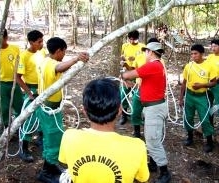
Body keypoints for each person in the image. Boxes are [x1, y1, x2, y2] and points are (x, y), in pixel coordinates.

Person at [58, 78, 149, 183]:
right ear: (119, 110)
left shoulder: (69, 137)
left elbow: (65, 163)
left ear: (84, 111)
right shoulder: (137, 146)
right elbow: (142, 178)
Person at [36, 37, 89, 183]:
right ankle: (46, 172)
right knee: (54, 139)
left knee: (52, 138)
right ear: (58, 51)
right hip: (49, 109)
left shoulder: (45, 60)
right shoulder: (50, 64)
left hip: (50, 108)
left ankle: (51, 166)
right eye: (64, 52)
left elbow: (60, 68)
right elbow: (58, 67)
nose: (64, 55)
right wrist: (76, 59)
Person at [122, 41, 171, 183]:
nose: (144, 54)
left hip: (154, 109)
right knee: (153, 136)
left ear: (151, 52)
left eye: (146, 51)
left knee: (152, 141)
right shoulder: (157, 66)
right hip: (153, 107)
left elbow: (129, 75)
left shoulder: (153, 65)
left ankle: (165, 172)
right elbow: (143, 81)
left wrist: (123, 74)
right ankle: (154, 164)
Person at [179, 44, 216, 153]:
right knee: (188, 117)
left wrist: (201, 85)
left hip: (202, 96)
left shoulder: (209, 66)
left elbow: (214, 82)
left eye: (196, 53)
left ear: (201, 54)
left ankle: (209, 141)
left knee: (205, 118)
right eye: (192, 54)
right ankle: (190, 137)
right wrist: (181, 98)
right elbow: (184, 82)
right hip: (189, 95)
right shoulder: (188, 66)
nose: (193, 56)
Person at [0, 28, 23, 128]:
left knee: (19, 105)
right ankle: (7, 128)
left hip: (15, 83)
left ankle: (20, 128)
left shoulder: (15, 49)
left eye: (1, 39)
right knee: (4, 108)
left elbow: (21, 66)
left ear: (6, 38)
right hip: (1, 84)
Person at [16, 30, 45, 163]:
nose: (41, 44)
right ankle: (23, 148)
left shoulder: (42, 53)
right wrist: (29, 93)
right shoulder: (24, 56)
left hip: (43, 88)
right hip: (32, 89)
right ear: (31, 42)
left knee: (43, 115)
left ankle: (40, 138)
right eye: (39, 42)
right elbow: (17, 77)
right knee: (29, 119)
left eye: (42, 41)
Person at [119, 30, 145, 126]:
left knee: (137, 96)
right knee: (123, 95)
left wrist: (134, 60)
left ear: (137, 38)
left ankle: (137, 115)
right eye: (130, 39)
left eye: (134, 39)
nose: (131, 41)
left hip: (137, 74)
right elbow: (122, 57)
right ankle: (124, 115)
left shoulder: (142, 47)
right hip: (126, 73)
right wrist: (123, 61)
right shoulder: (124, 46)